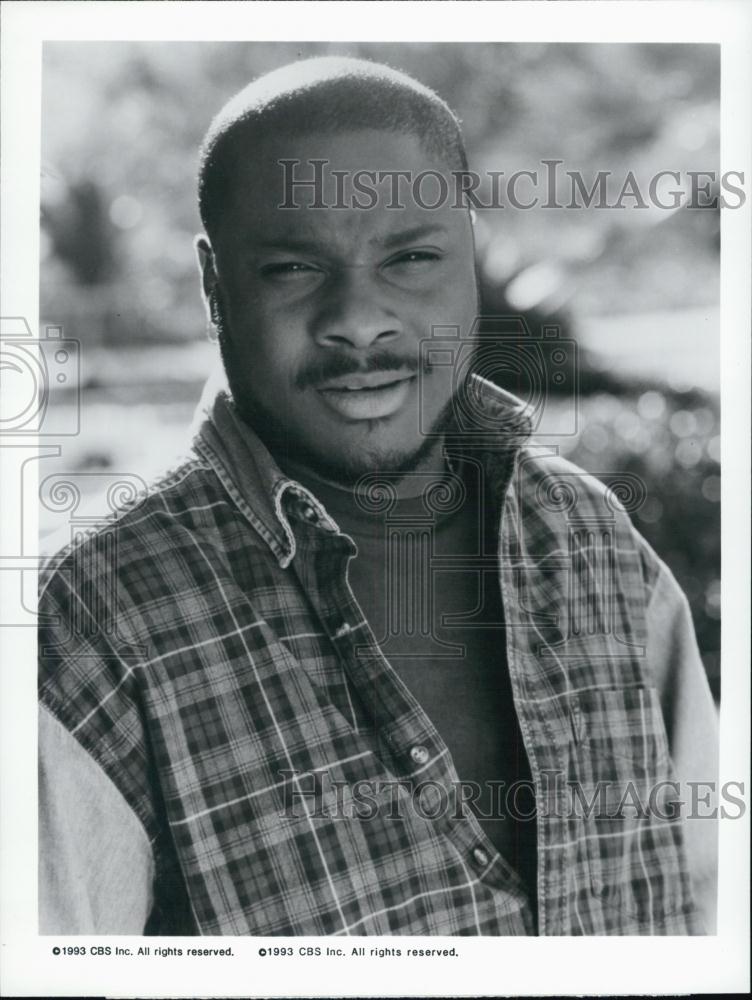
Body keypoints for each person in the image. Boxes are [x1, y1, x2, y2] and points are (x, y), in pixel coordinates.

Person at [38, 56, 718, 936]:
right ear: (215, 287)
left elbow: (708, 907)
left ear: (471, 257)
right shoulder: (96, 627)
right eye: (292, 269)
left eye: (412, 258)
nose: (359, 319)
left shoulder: (596, 542)